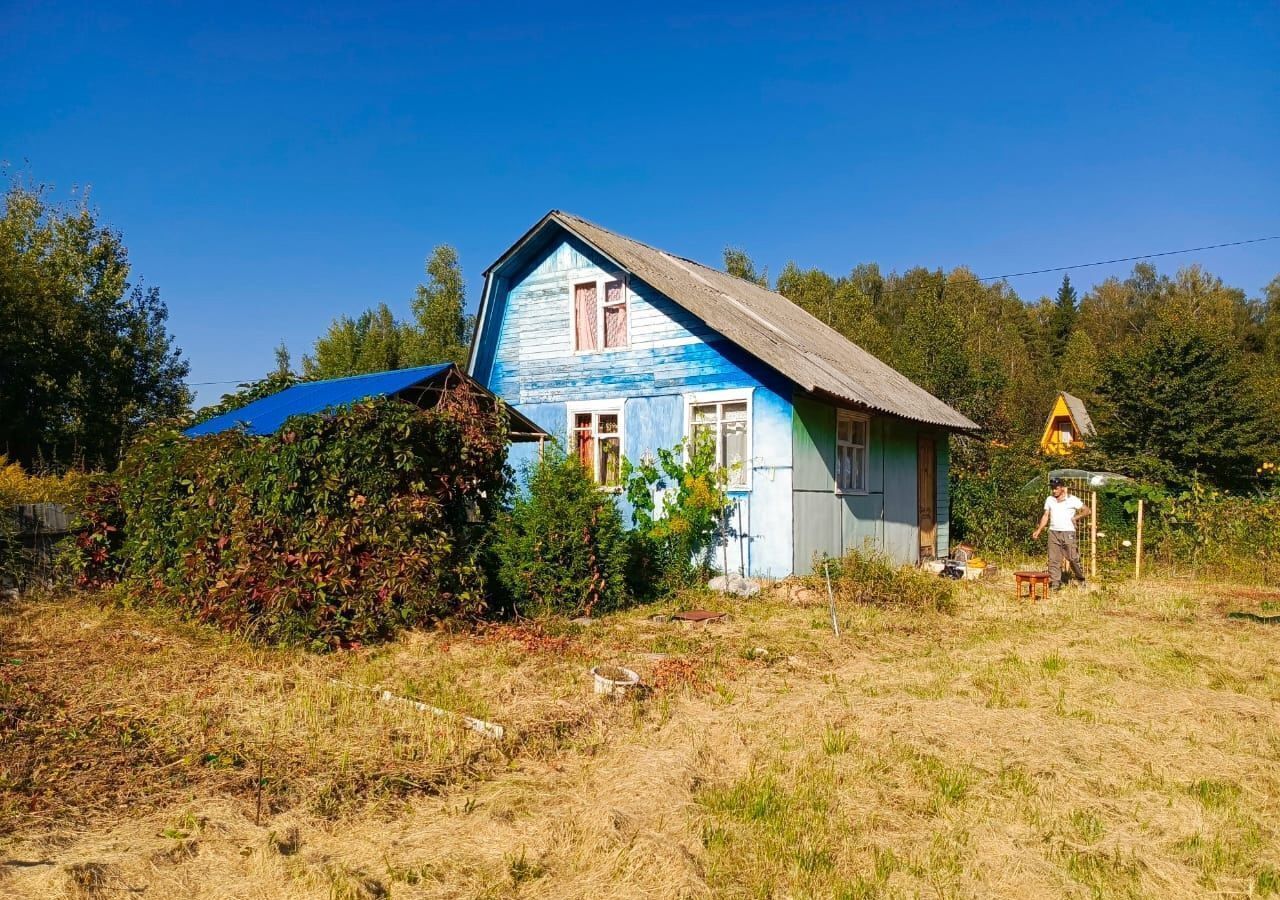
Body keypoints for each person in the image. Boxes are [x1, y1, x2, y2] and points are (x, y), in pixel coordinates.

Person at [1032, 477, 1091, 590]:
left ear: (1062, 488)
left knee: (1073, 558)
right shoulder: (1049, 499)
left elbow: (1087, 510)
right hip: (1053, 532)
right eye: (1052, 488)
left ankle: (1080, 579)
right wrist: (1038, 530)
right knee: (1053, 559)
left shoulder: (1072, 499)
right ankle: (1055, 583)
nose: (1054, 491)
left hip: (1068, 532)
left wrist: (1076, 518)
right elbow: (1046, 515)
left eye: (1056, 488)